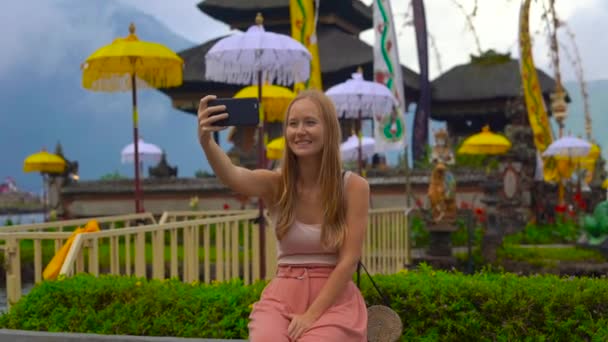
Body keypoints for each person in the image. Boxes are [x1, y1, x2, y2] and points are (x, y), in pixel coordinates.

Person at [197, 89, 369, 341]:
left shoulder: (354, 187)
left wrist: (311, 315)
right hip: (281, 298)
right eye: (292, 124)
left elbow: (348, 261)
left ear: (329, 128)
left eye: (310, 122)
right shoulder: (277, 184)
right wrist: (206, 142)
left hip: (334, 302)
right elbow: (233, 176)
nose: (300, 131)